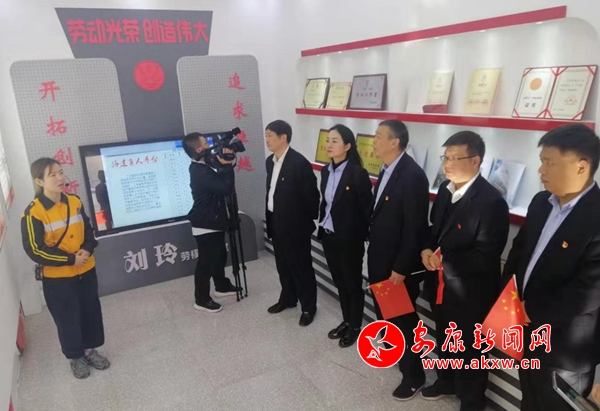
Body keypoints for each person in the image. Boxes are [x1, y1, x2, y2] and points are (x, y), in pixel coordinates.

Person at [502, 124, 600, 411]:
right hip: (526, 330)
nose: (541, 170)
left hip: (565, 347)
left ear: (581, 166)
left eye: (549, 162)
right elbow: (519, 252)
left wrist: (530, 310)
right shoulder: (541, 203)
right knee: (530, 399)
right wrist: (507, 300)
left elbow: (590, 291)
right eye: (541, 161)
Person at [421, 131, 509, 411]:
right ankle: (446, 381)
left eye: (454, 158)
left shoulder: (491, 202)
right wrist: (426, 250)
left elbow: (486, 255)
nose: (447, 164)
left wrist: (444, 263)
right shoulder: (445, 191)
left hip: (470, 293)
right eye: (445, 157)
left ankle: (472, 400)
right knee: (445, 336)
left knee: (471, 348)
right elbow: (435, 231)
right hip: (440, 285)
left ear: (475, 160)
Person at [21, 158, 110, 379]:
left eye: (61, 172)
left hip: (86, 271)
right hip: (58, 279)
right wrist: (70, 260)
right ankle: (75, 356)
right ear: (39, 181)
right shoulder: (33, 213)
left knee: (90, 312)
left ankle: (89, 350)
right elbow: (35, 250)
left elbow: (88, 231)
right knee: (67, 318)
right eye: (52, 175)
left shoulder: (74, 201)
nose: (60, 178)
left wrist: (87, 250)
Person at [367, 120, 430, 401]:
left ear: (395, 142)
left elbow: (414, 227)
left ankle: (414, 376)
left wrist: (401, 267)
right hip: (380, 259)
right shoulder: (387, 168)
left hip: (396, 267)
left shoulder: (412, 175)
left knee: (402, 320)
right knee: (387, 317)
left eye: (379, 136)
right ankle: (400, 358)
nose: (374, 140)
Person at [317, 124, 373, 347]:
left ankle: (356, 326)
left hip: (350, 240)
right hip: (329, 235)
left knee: (352, 283)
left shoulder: (357, 174)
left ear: (348, 146)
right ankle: (347, 320)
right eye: (328, 140)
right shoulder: (325, 171)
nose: (329, 145)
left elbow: (367, 210)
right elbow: (326, 203)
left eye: (335, 141)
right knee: (340, 282)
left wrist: (359, 236)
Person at [265, 120, 320, 326]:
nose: (267, 140)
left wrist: (301, 222)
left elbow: (312, 198)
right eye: (266, 135)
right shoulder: (270, 161)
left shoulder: (299, 163)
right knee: (283, 264)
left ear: (283, 137)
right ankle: (288, 298)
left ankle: (308, 307)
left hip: (296, 227)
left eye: (270, 135)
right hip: (275, 222)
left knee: (301, 267)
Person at [183, 132, 243, 313]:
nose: (209, 145)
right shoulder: (199, 171)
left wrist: (225, 160)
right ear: (198, 149)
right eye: (205, 143)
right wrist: (228, 167)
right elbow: (225, 187)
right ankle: (201, 299)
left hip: (214, 220)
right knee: (206, 263)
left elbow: (217, 164)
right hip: (205, 223)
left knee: (219, 256)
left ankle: (221, 286)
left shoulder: (203, 165)